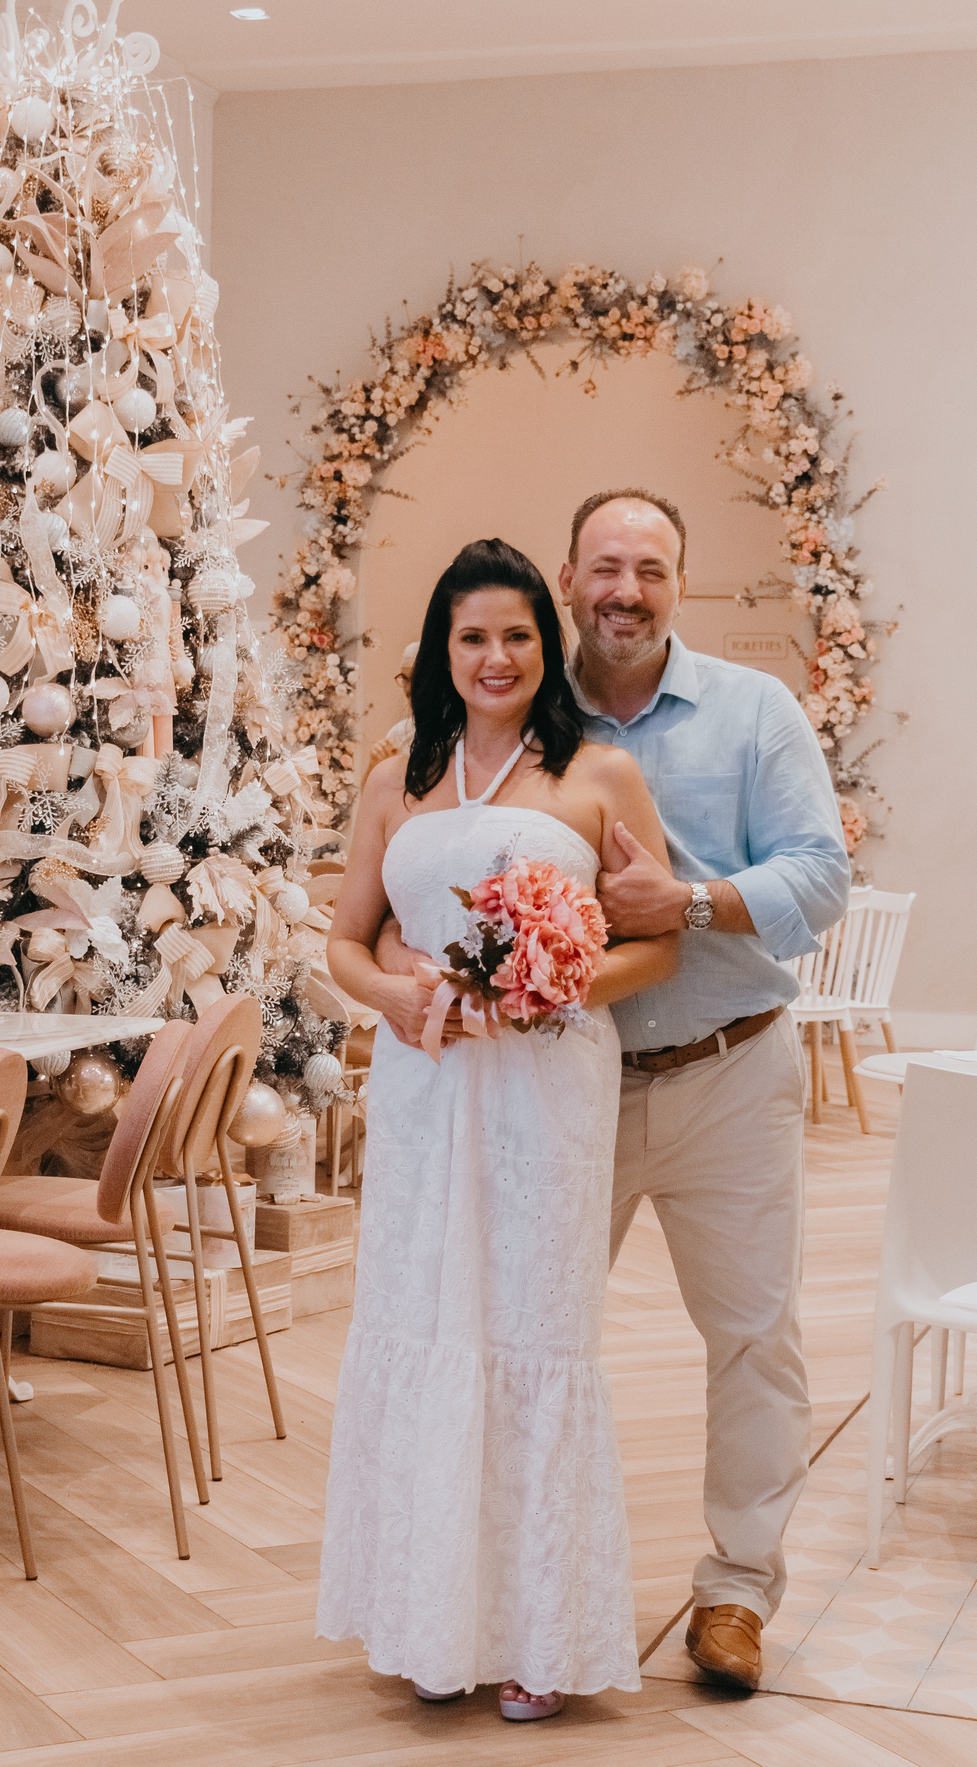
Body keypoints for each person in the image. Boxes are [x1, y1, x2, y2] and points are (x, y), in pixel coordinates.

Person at [317, 538, 678, 1720]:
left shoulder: (600, 776)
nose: (496, 656)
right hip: (423, 1090)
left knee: (532, 1325)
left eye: (517, 634)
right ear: (443, 648)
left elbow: (656, 944)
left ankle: (539, 1637)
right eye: (472, 636)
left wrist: (551, 985)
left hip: (544, 1090)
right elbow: (344, 941)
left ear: (544, 643)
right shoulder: (396, 778)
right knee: (424, 1317)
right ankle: (434, 1621)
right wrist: (395, 996)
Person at [557, 488, 850, 1690]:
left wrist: (686, 902)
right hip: (569, 1085)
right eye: (605, 567)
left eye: (651, 569)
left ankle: (736, 1594)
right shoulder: (522, 715)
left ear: (679, 583)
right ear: (569, 578)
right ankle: (534, 1586)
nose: (626, 591)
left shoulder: (753, 710)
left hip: (732, 1069)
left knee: (754, 1341)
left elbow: (822, 878)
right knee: (535, 1333)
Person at [361, 640, 418, 784]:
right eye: (405, 679)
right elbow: (367, 794)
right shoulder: (400, 733)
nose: (408, 688)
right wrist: (375, 765)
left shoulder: (461, 733)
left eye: (415, 678)